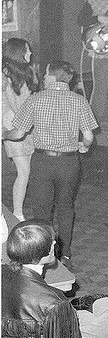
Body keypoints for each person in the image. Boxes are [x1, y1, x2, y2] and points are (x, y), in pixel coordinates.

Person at [3, 61, 98, 268]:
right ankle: (65, 254)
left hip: (43, 162)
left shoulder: (35, 99)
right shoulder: (79, 100)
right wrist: (84, 146)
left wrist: (4, 134)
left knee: (42, 209)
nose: (44, 77)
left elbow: (18, 134)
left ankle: (43, 253)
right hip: (69, 162)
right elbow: (89, 136)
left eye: (46, 74)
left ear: (53, 77)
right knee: (66, 207)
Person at [2, 38, 38, 221]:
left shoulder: (28, 72)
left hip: (29, 128)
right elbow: (4, 105)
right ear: (17, 52)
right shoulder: (4, 75)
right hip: (14, 129)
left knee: (27, 172)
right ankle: (18, 214)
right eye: (26, 50)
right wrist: (9, 128)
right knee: (23, 172)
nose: (30, 53)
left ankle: (19, 211)